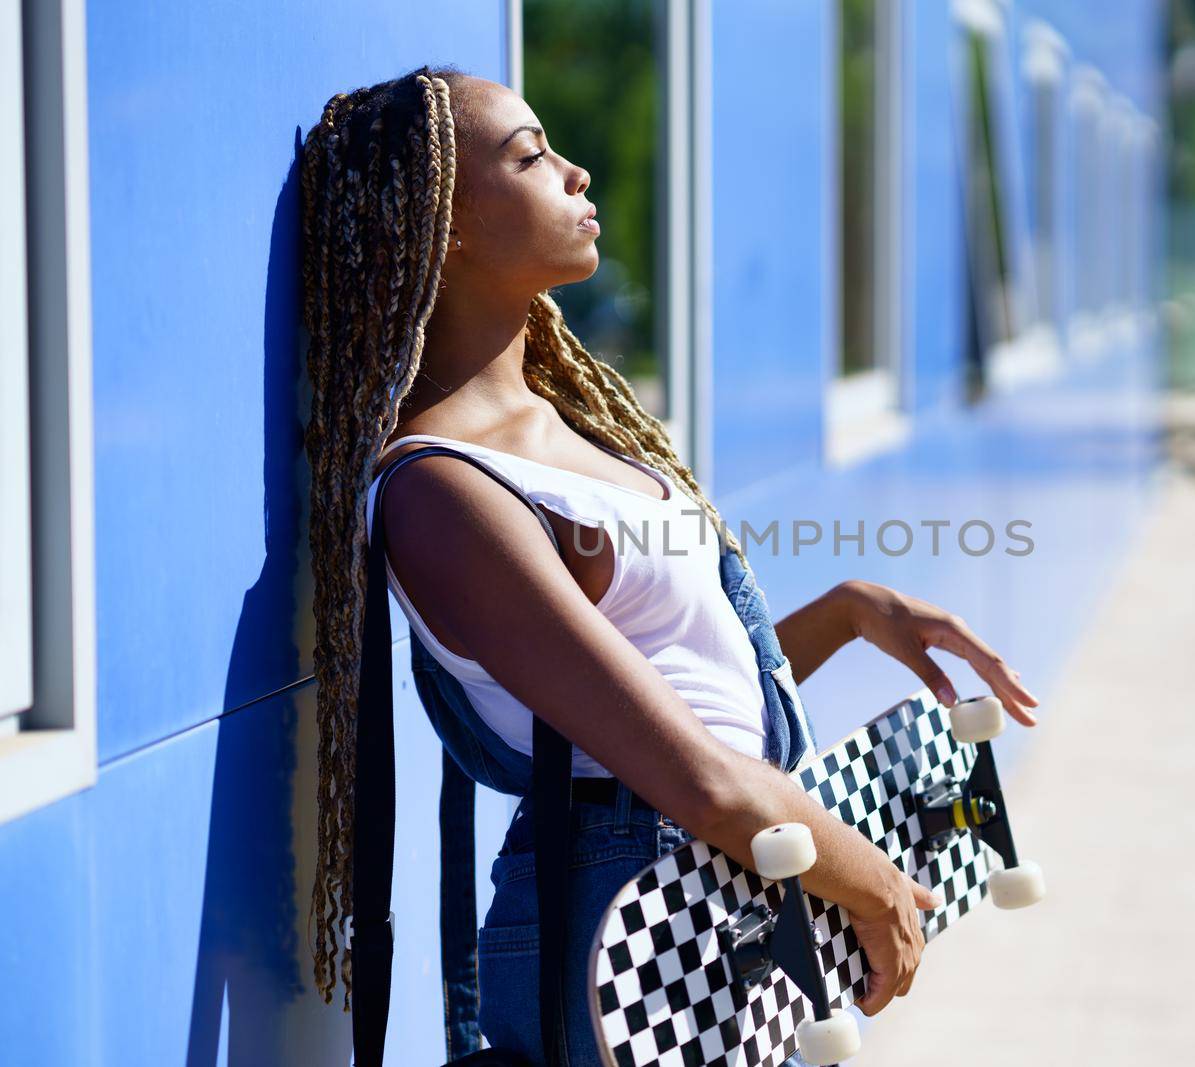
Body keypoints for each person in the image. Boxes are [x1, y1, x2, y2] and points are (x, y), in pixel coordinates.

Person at [298, 64, 1041, 1064]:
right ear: (449, 223)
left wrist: (851, 610)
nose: (576, 171)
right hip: (632, 906)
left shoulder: (569, 433)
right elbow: (688, 771)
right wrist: (862, 876)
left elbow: (680, 699)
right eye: (530, 157)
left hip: (715, 883)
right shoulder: (442, 491)